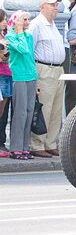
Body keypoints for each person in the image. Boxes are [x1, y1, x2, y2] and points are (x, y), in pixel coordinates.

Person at [29, 0, 66, 157]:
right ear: (42, 6)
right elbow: (30, 51)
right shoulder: (36, 25)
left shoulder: (52, 25)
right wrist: (35, 76)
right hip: (44, 69)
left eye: (56, 4)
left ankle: (50, 142)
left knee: (56, 109)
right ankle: (37, 144)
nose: (56, 7)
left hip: (57, 70)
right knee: (44, 107)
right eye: (52, 4)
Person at [5, 10, 37, 160]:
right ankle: (16, 148)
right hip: (18, 77)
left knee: (30, 111)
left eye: (28, 19)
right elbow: (23, 50)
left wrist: (36, 78)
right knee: (20, 112)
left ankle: (25, 147)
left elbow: (30, 57)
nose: (27, 22)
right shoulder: (10, 36)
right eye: (24, 19)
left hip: (31, 76)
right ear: (16, 20)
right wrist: (18, 31)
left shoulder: (28, 36)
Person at [0, 9, 11, 157]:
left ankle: (1, 141)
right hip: (1, 74)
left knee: (3, 112)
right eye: (3, 19)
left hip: (8, 73)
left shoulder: (5, 35)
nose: (5, 22)